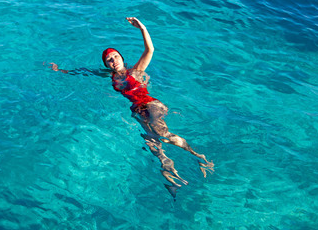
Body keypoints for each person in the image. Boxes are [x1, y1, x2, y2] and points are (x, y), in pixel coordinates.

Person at [51, 17, 214, 198]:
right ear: (107, 65)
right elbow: (85, 71)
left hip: (151, 105)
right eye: (109, 60)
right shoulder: (110, 76)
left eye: (115, 56)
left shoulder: (135, 70)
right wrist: (60, 70)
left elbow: (150, 50)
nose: (113, 60)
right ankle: (171, 175)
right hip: (138, 110)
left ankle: (200, 158)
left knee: (163, 134)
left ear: (121, 57)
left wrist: (142, 28)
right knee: (152, 142)